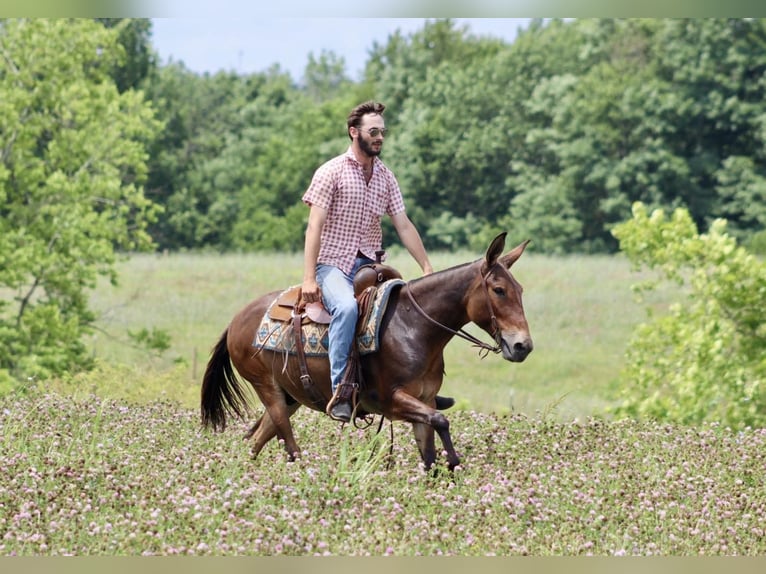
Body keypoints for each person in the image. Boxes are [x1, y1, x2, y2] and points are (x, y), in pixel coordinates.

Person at [301, 101, 434, 423]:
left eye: (382, 133)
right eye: (373, 132)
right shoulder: (330, 172)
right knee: (346, 309)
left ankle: (418, 384)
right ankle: (342, 392)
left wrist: (427, 269)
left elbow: (403, 224)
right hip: (333, 264)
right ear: (353, 132)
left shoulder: (386, 177)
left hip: (371, 266)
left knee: (411, 309)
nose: (379, 138)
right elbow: (314, 226)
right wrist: (309, 278)